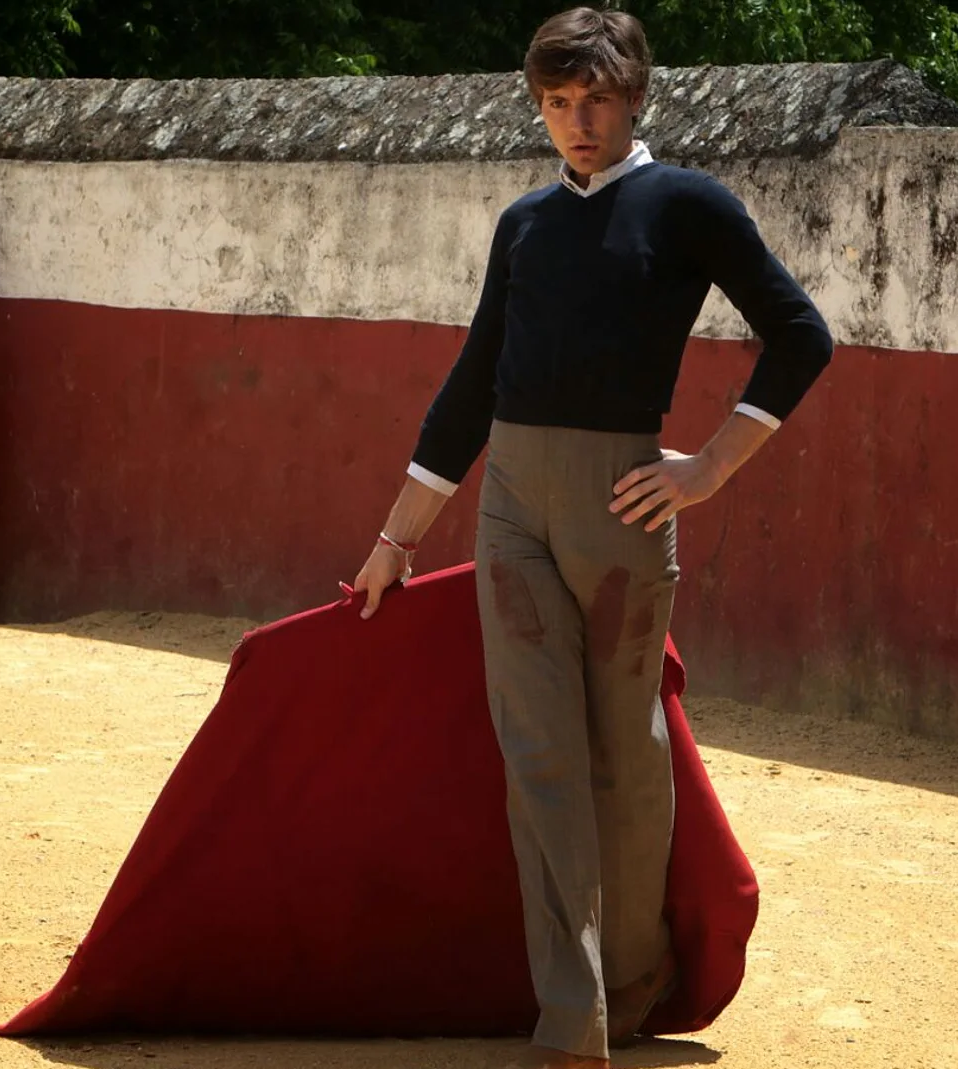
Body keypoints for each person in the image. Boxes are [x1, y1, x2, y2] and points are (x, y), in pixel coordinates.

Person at [346, 8, 833, 1069]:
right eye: (557, 103)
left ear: (634, 98)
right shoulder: (523, 224)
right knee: (539, 757)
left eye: (595, 100)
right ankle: (571, 1016)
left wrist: (706, 468)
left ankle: (633, 977)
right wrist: (397, 536)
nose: (577, 121)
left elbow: (801, 333)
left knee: (625, 758)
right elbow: (476, 381)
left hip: (623, 506)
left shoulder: (688, 204)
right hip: (513, 504)